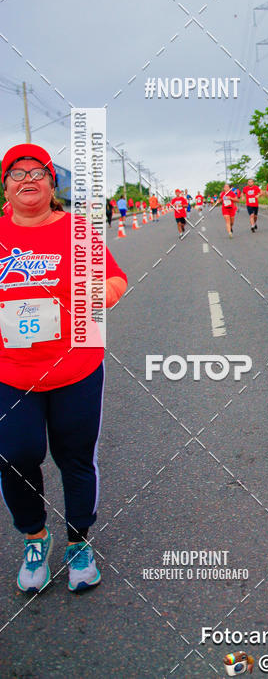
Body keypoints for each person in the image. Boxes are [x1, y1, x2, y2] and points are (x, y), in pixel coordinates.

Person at [0, 143, 127, 593]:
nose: (27, 178)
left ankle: (78, 542)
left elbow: (114, 278)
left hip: (76, 368)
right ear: (6, 186)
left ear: (53, 183)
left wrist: (101, 295)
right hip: (12, 373)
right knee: (15, 455)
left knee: (74, 457)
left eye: (38, 171)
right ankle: (36, 537)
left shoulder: (77, 231)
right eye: (17, 172)